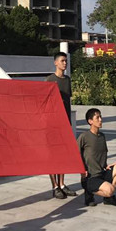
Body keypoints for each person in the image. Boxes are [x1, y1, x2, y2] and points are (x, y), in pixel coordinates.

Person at [77, 108, 116, 207]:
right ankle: (89, 192)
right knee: (110, 190)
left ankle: (108, 198)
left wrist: (106, 165)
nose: (100, 119)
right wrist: (81, 170)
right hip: (90, 178)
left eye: (101, 117)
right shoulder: (84, 136)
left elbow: (101, 154)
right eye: (97, 117)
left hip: (102, 173)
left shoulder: (102, 136)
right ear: (90, 121)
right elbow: (75, 154)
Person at [45, 51, 77, 199]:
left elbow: (67, 100)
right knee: (53, 156)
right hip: (52, 124)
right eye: (62, 61)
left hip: (65, 123)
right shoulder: (50, 80)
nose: (65, 63)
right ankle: (55, 186)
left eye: (66, 61)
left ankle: (62, 184)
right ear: (55, 63)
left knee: (63, 155)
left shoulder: (67, 80)